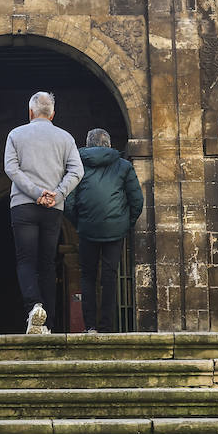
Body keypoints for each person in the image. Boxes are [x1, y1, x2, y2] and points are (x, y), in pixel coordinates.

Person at [3, 91, 83, 334]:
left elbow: (11, 168)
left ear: (30, 112)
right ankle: (48, 322)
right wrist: (56, 194)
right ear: (53, 114)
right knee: (47, 263)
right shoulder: (65, 138)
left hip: (23, 205)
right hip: (52, 208)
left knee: (26, 260)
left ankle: (34, 308)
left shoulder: (16, 134)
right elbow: (77, 171)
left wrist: (34, 192)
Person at [66, 128, 144, 333]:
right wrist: (125, 223)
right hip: (115, 230)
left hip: (87, 229)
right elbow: (137, 200)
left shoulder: (79, 165)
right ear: (108, 144)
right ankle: (107, 326)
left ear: (88, 144)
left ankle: (90, 326)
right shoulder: (124, 166)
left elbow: (69, 202)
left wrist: (80, 223)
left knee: (87, 277)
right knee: (110, 278)